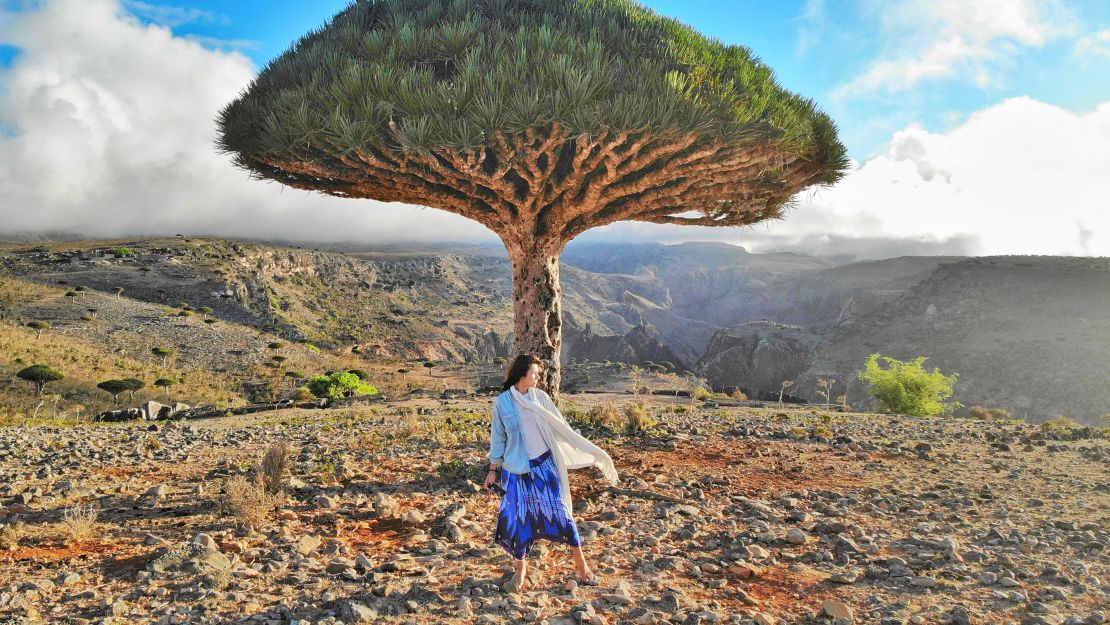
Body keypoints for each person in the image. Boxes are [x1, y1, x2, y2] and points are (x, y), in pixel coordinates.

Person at [484, 354, 619, 592]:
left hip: (545, 466)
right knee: (517, 519)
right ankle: (521, 569)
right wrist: (493, 470)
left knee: (561, 513)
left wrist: (586, 449)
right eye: (535, 373)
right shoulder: (502, 403)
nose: (539, 377)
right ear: (522, 374)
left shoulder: (541, 398)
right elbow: (499, 439)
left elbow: (560, 427)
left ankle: (582, 567)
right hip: (517, 470)